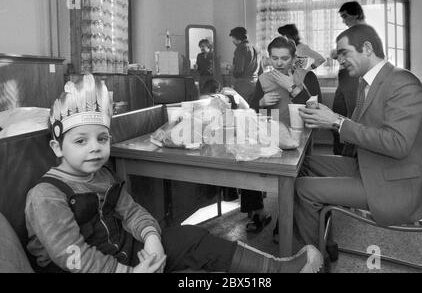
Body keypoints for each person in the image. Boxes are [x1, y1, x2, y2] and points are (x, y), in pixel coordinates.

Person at [24, 74, 323, 273]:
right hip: (96, 269)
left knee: (188, 236)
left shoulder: (103, 176)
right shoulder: (46, 195)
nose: (95, 149)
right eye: (80, 141)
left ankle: (278, 270)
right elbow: (71, 256)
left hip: (128, 252)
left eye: (102, 139)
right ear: (57, 147)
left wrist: (152, 238)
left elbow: (132, 212)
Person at [295, 24, 422, 269]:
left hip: (395, 184)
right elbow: (355, 129)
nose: (340, 60)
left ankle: (313, 263)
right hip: (371, 166)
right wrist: (327, 118)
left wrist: (336, 121)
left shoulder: (403, 82)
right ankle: (324, 245)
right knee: (301, 165)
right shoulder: (369, 83)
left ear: (367, 48)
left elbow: (398, 144)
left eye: (344, 53)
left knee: (303, 188)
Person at [248, 36, 321, 238]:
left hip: (300, 136)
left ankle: (286, 220)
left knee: (295, 178)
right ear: (269, 58)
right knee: (246, 160)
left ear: (293, 57)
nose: (279, 63)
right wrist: (261, 102)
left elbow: (317, 109)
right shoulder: (264, 79)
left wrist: (292, 87)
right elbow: (252, 110)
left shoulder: (306, 77)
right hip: (271, 133)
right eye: (274, 58)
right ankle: (258, 212)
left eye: (284, 58)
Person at [332, 1, 367, 155]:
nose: (344, 20)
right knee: (336, 118)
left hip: (355, 80)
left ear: (357, 14)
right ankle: (340, 157)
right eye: (342, 17)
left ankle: (349, 158)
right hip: (344, 81)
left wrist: (340, 54)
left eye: (345, 16)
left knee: (352, 120)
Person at [229, 27, 260, 103]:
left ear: (235, 37)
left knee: (242, 111)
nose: (232, 41)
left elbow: (239, 71)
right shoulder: (255, 48)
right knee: (253, 109)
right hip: (255, 84)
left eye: (232, 38)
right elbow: (261, 69)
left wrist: (230, 68)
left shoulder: (241, 48)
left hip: (243, 85)